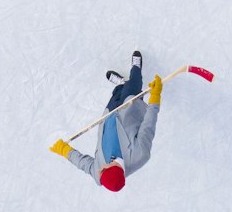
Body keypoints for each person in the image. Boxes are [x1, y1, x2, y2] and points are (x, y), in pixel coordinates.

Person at [50, 51, 161, 192]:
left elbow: (82, 163)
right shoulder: (140, 156)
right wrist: (155, 97)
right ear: (114, 168)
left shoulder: (99, 175)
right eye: (104, 169)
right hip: (130, 109)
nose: (100, 168)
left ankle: (122, 84)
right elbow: (149, 124)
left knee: (117, 94)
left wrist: (64, 150)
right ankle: (136, 69)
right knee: (134, 85)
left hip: (108, 115)